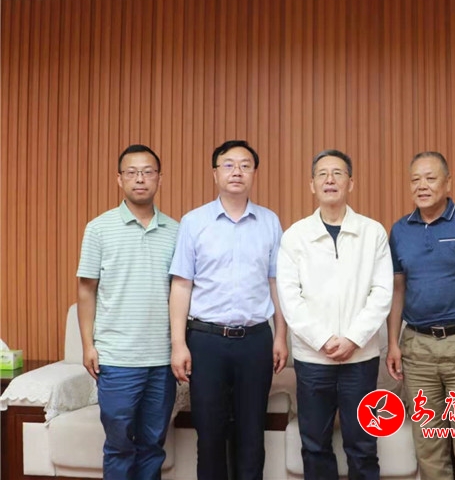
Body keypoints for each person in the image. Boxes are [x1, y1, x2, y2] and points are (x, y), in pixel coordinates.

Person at [168, 140, 288, 480]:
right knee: (209, 435)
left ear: (254, 173)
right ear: (215, 173)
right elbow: (181, 285)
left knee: (252, 433)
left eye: (245, 165)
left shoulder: (269, 222)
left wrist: (281, 336)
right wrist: (179, 344)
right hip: (206, 341)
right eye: (229, 165)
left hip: (255, 341)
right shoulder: (193, 222)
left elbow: (277, 283)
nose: (237, 171)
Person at [277, 149, 393, 480]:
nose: (330, 180)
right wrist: (324, 339)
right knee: (315, 446)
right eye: (322, 174)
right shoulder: (295, 236)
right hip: (313, 359)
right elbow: (290, 298)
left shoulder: (372, 232)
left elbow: (382, 292)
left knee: (363, 445)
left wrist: (353, 339)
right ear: (312, 184)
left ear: (350, 183)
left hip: (361, 358)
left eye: (338, 173)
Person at [386, 151, 455, 480]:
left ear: (448, 183)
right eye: (415, 180)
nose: (421, 186)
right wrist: (393, 343)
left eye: (430, 178)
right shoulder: (400, 230)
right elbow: (397, 289)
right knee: (428, 445)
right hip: (417, 349)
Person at [77, 144, 179, 480]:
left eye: (148, 172)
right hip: (117, 358)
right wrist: (88, 345)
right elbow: (86, 289)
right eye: (132, 172)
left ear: (159, 178)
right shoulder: (99, 228)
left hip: (162, 360)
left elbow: (182, 293)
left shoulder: (177, 231)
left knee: (153, 444)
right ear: (119, 179)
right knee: (119, 445)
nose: (140, 179)